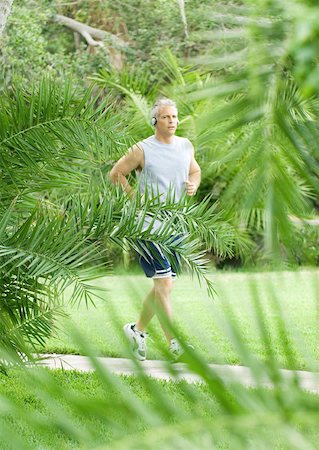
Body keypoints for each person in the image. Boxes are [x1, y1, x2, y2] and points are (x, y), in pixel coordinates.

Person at [109, 98, 201, 361]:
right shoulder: (142, 149)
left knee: (164, 286)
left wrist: (193, 184)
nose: (172, 121)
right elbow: (116, 174)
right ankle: (175, 344)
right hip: (148, 227)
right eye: (166, 117)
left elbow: (195, 171)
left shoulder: (185, 146)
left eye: (174, 117)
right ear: (155, 121)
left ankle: (136, 331)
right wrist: (133, 197)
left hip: (176, 226)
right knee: (164, 283)